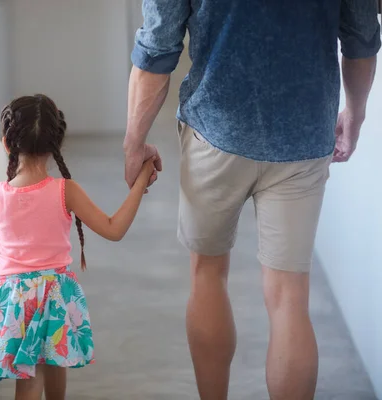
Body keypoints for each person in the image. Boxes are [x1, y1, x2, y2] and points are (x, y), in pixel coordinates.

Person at [124, 1, 380, 399]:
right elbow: (362, 38)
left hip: (215, 130)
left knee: (207, 274)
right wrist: (356, 114)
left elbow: (158, 47)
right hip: (305, 135)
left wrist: (133, 141)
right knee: (289, 300)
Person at [0, 94, 157, 400]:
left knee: (28, 380)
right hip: (55, 297)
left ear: (7, 143)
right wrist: (141, 181)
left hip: (13, 298)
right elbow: (114, 229)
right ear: (55, 144)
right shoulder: (64, 191)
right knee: (56, 367)